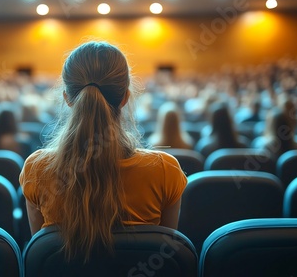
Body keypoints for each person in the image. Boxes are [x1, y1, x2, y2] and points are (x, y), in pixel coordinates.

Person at [19, 41, 186, 262]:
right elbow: (165, 261)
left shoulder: (37, 169)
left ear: (67, 98)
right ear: (125, 97)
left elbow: (43, 259)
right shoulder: (165, 170)